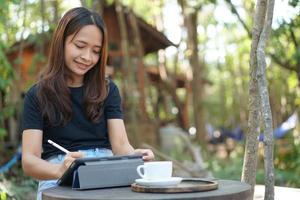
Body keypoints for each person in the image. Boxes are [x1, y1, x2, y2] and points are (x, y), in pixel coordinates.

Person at [21, 7, 154, 200]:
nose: (87, 57)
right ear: (62, 42)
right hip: (58, 177)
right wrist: (60, 170)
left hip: (105, 172)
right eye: (80, 46)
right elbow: (29, 160)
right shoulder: (38, 94)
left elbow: (121, 145)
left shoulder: (108, 90)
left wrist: (136, 157)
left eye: (96, 51)